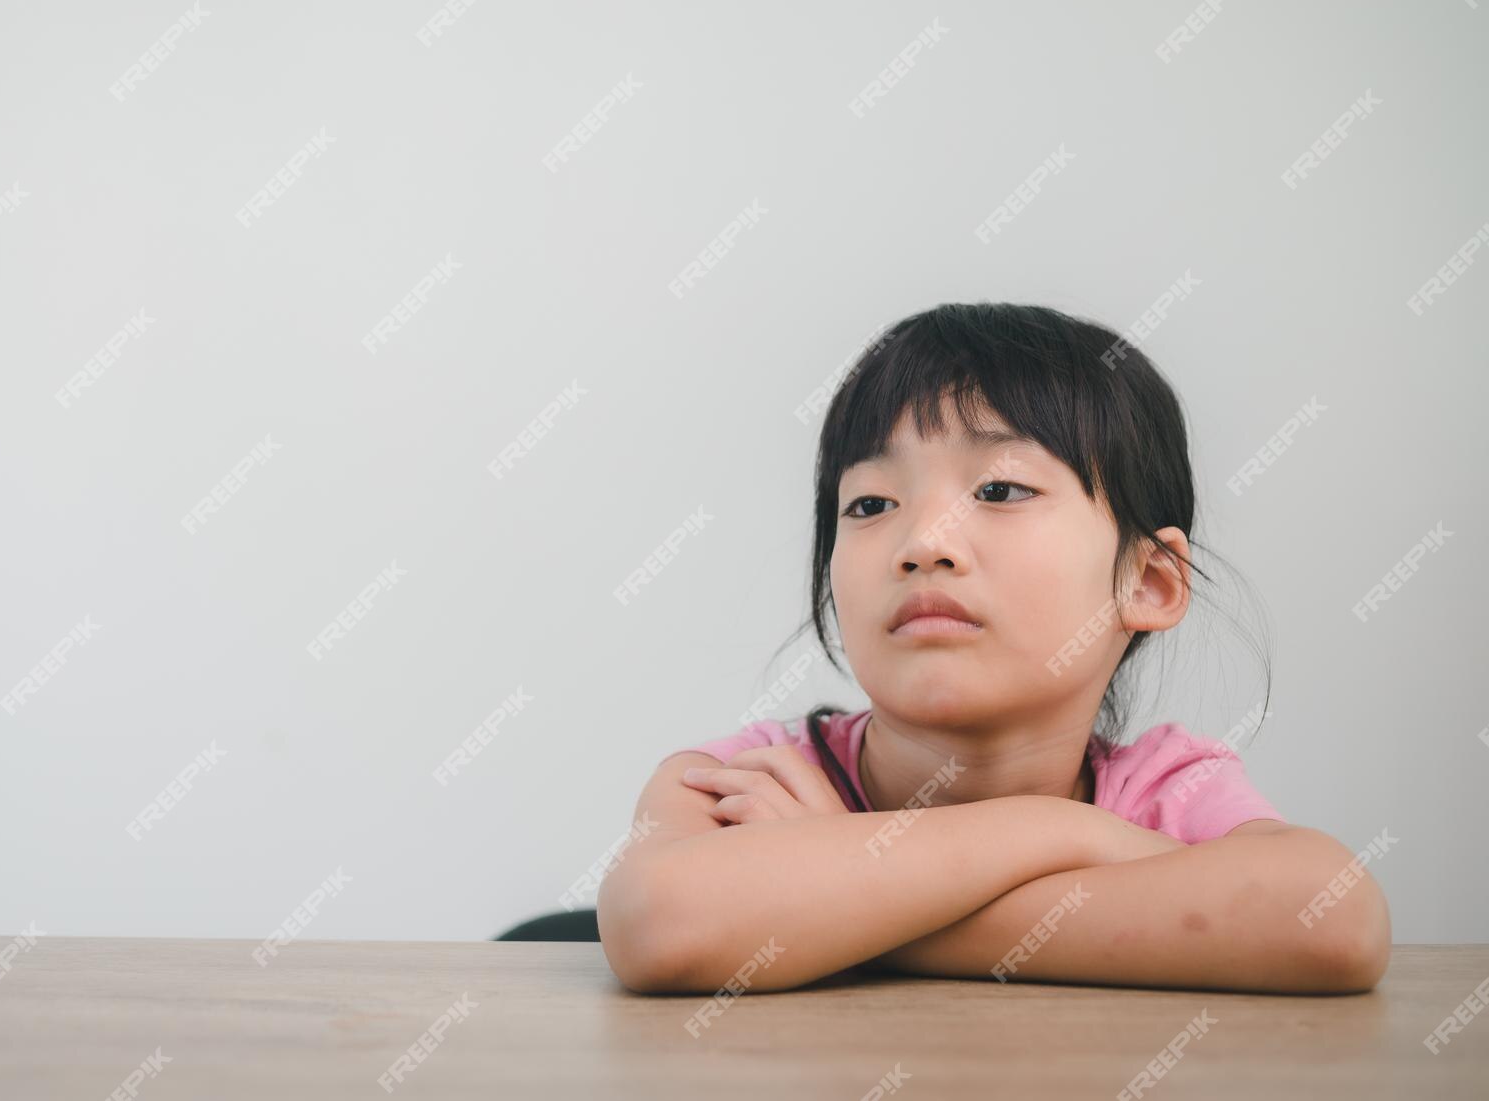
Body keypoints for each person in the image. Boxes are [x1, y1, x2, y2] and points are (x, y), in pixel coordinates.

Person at [596, 302, 1391, 995]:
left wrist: (833, 899)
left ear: (1147, 582)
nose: (922, 542)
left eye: (1000, 490)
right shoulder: (748, 781)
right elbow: (659, 924)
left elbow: (1334, 921)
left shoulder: (1168, 790)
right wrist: (1071, 835)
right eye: (871, 502)